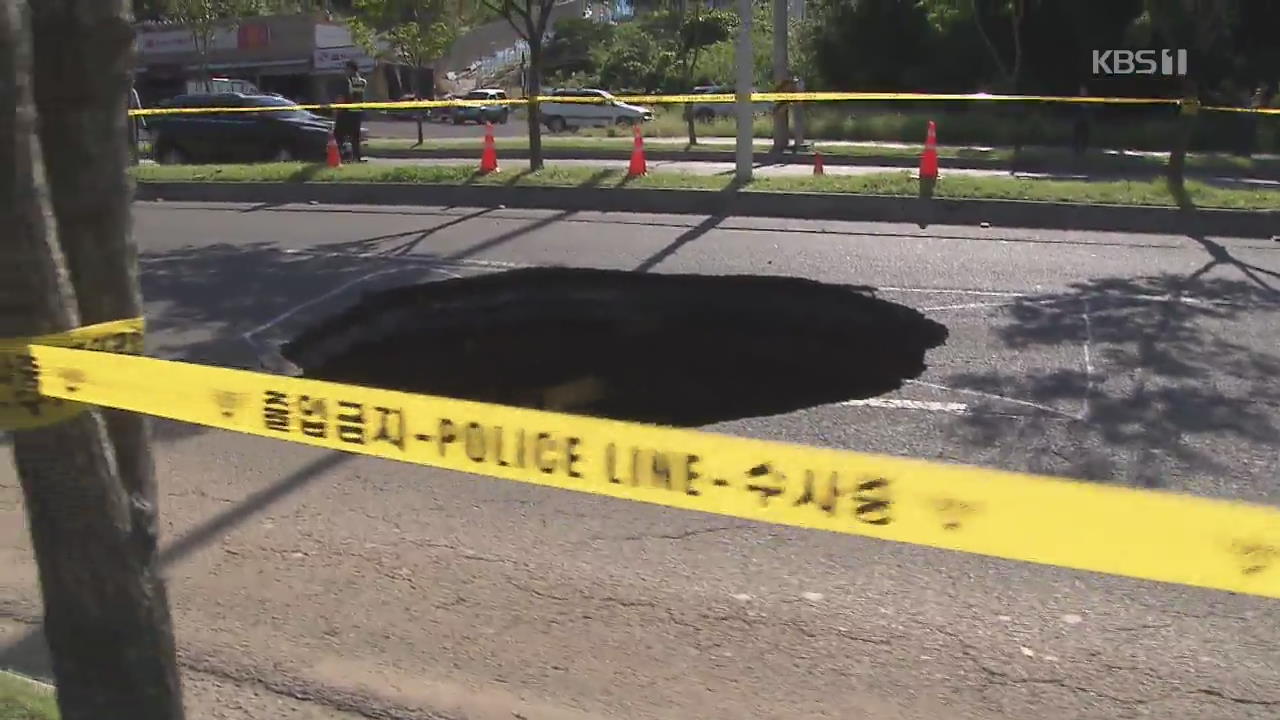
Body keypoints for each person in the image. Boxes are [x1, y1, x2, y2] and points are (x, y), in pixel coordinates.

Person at [336, 60, 367, 161]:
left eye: (346, 68)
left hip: (346, 113)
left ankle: (340, 157)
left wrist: (337, 110)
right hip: (357, 113)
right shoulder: (363, 82)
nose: (345, 71)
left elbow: (342, 98)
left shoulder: (346, 81)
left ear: (351, 69)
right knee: (355, 137)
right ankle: (356, 157)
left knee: (339, 135)